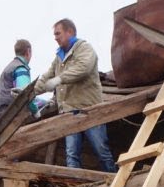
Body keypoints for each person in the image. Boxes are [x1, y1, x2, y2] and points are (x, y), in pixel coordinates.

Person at [30, 18, 118, 172]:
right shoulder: (59, 57)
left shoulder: (84, 49)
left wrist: (59, 79)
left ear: (69, 32)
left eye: (58, 33)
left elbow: (83, 68)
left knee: (101, 150)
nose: (55, 37)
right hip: (69, 112)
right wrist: (28, 93)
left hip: (89, 109)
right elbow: (45, 78)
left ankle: (113, 180)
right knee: (71, 154)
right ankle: (74, 183)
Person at [0, 39, 33, 123]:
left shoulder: (10, 66)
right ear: (28, 51)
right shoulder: (20, 68)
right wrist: (41, 105)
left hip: (0, 114)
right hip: (9, 115)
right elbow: (25, 95)